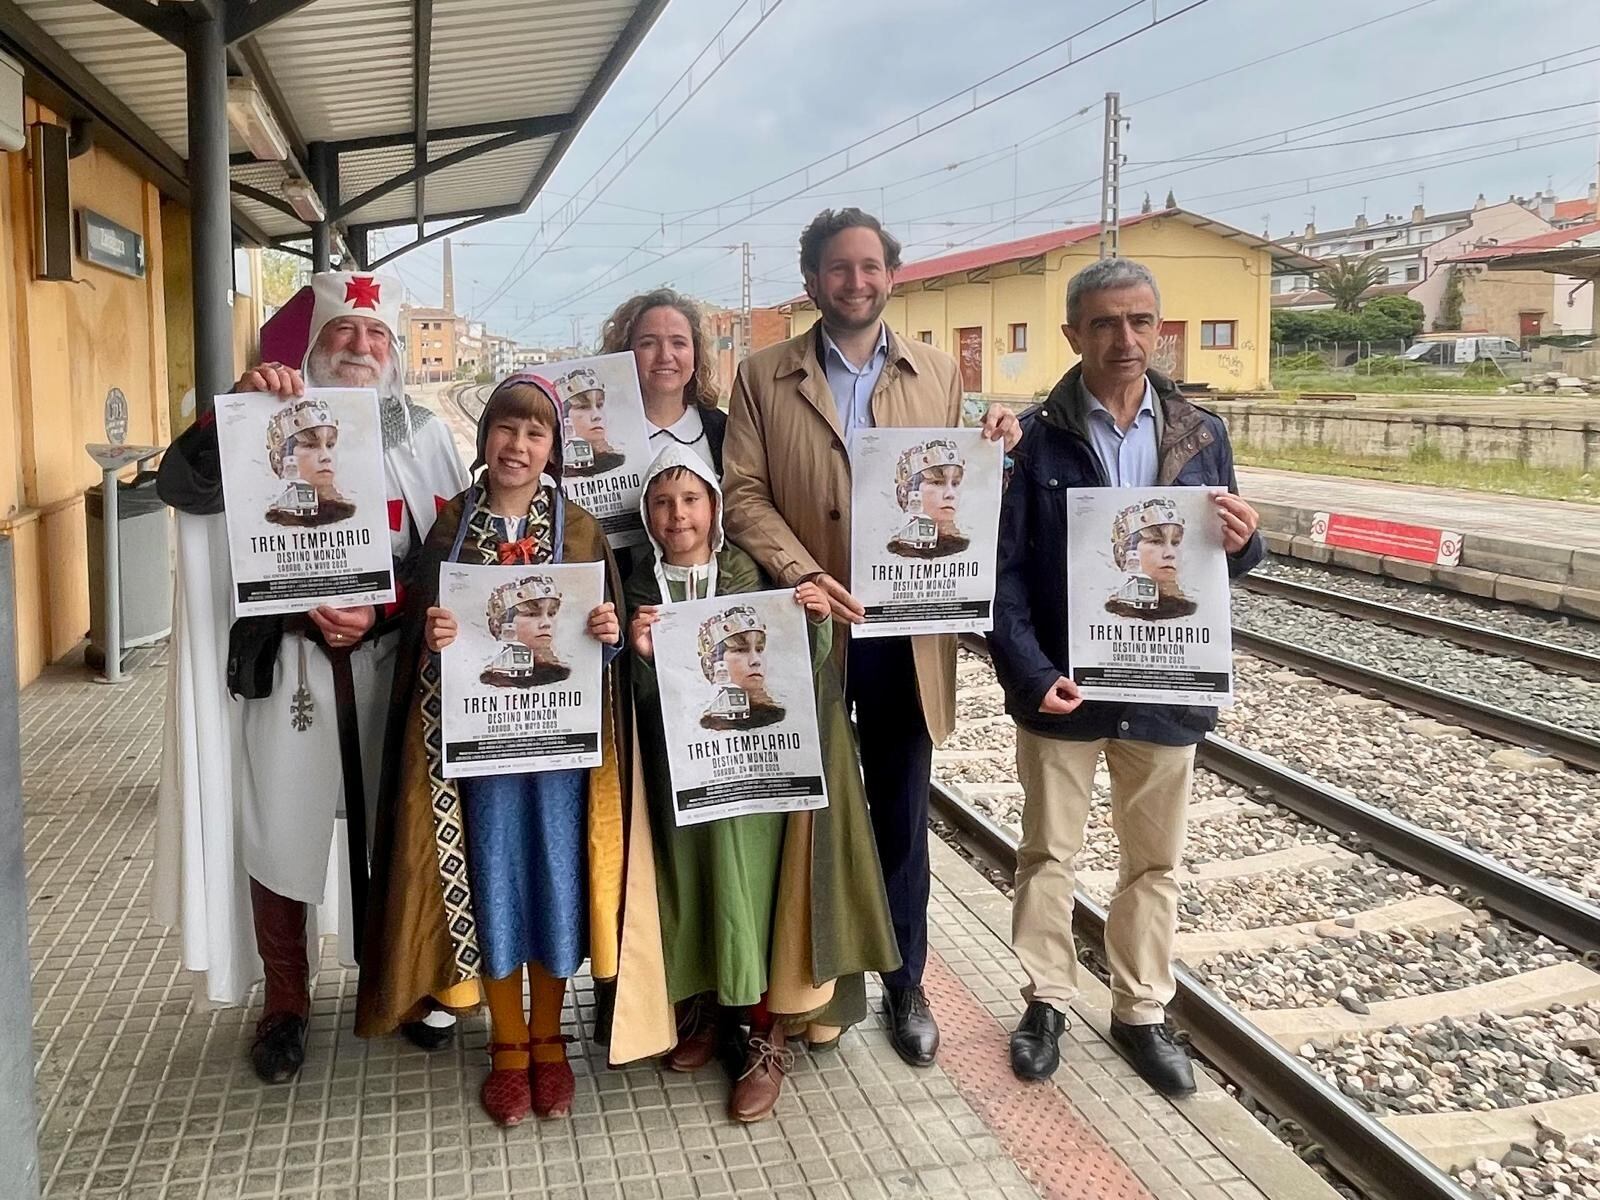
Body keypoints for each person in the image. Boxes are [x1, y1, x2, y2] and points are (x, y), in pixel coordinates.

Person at [721, 208, 1020, 1067]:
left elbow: (962, 483)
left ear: (894, 274)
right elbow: (742, 493)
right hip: (804, 624)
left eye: (870, 267)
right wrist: (800, 574)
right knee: (795, 802)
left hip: (904, 630)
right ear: (810, 281)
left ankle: (904, 978)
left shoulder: (936, 372)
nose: (856, 282)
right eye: (837, 269)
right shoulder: (762, 374)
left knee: (897, 808)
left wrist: (997, 439)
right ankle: (794, 986)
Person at [154, 271, 469, 1084]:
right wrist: (233, 403)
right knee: (280, 827)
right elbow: (181, 486)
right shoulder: (262, 418)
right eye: (343, 334)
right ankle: (287, 1001)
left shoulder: (425, 434)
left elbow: (453, 557)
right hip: (292, 662)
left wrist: (384, 611)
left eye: (376, 337)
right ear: (316, 345)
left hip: (394, 664)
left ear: (392, 354)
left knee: (400, 828)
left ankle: (400, 979)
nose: (360, 349)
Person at [987, 258, 1262, 1096]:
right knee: (1047, 856)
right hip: (1064, 689)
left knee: (1153, 864)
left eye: (1141, 321)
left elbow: (1223, 563)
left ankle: (1141, 1008)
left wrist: (1247, 541)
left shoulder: (1201, 433)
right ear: (1073, 334)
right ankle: (1046, 1000)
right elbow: (1000, 577)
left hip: (1165, 687)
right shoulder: (1032, 439)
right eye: (1105, 323)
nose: (1126, 338)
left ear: (1159, 328)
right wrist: (1031, 674)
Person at [354, 373, 657, 1129]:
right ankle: (507, 1043)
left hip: (560, 756)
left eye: (535, 434)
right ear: (484, 436)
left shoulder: (582, 529)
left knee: (556, 881)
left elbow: (605, 647)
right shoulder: (451, 526)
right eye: (506, 430)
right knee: (493, 882)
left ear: (553, 449)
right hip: (477, 756)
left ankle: (552, 1039)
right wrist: (435, 638)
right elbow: (425, 631)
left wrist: (610, 639)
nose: (518, 446)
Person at [625, 443, 899, 1122]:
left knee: (753, 897)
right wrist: (637, 654)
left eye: (690, 500)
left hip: (754, 782)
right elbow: (631, 691)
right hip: (677, 772)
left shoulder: (749, 574)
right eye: (662, 502)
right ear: (646, 513)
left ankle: (766, 1032)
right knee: (691, 890)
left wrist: (808, 621)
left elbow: (796, 669)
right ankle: (714, 1012)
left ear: (714, 509)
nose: (676, 515)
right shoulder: (637, 585)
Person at [600, 288, 726, 475]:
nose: (665, 356)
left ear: (696, 354)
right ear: (625, 352)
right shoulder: (598, 433)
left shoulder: (725, 432)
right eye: (648, 343)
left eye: (678, 343)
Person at [1105, 499, 1197, 620]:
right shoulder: (1111, 611)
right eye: (1156, 541)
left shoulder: (1190, 609)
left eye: (1175, 543)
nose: (1170, 554)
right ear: (1125, 552)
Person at [479, 575, 571, 687]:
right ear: (502, 624)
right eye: (532, 614)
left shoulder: (561, 673)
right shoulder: (492, 679)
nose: (547, 623)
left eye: (551, 614)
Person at [887, 438, 968, 558]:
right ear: (907, 492)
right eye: (937, 483)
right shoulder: (898, 548)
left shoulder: (964, 546)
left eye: (955, 483)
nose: (950, 494)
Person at [555, 365, 627, 475]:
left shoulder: (620, 459)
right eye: (583, 407)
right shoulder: (559, 468)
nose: (597, 416)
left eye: (599, 405)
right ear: (563, 417)